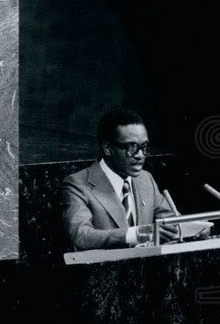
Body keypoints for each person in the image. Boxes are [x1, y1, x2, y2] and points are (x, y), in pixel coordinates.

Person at [60, 108, 180, 251]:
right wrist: (139, 234)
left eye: (144, 147)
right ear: (107, 148)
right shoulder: (77, 185)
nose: (140, 155)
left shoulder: (145, 179)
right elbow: (80, 237)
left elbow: (171, 222)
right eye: (132, 147)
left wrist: (194, 228)